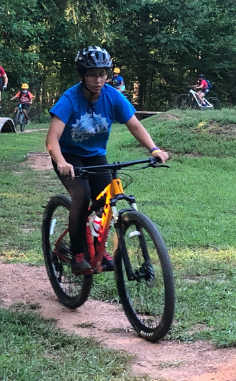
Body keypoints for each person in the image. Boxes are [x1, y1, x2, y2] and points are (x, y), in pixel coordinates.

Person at [46, 46, 169, 275]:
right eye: (92, 75)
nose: (98, 80)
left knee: (106, 201)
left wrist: (154, 149)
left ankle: (98, 248)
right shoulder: (69, 99)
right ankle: (78, 253)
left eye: (102, 74)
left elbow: (135, 125)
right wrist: (61, 161)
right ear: (82, 75)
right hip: (69, 156)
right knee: (82, 196)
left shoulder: (113, 96)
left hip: (95, 156)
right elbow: (52, 139)